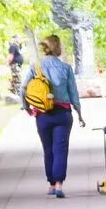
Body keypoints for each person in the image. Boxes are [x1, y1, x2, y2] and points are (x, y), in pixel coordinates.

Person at [23, 34, 82, 197]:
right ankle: (59, 185)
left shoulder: (35, 67)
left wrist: (26, 107)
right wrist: (79, 114)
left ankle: (50, 183)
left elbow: (23, 87)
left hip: (43, 114)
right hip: (63, 114)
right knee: (61, 149)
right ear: (58, 48)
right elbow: (73, 94)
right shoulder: (66, 68)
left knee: (48, 149)